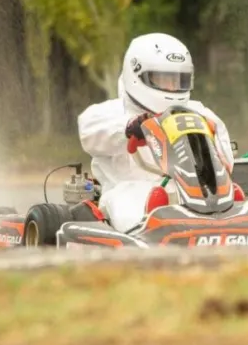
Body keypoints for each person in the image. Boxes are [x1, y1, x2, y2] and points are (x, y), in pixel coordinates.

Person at [75, 32, 235, 232]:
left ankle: (227, 216)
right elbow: (89, 134)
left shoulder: (200, 113)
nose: (172, 87)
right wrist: (129, 128)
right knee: (130, 199)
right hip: (131, 192)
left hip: (192, 191)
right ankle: (150, 227)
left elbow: (225, 158)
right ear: (137, 75)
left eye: (178, 80)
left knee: (228, 192)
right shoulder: (110, 113)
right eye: (163, 80)